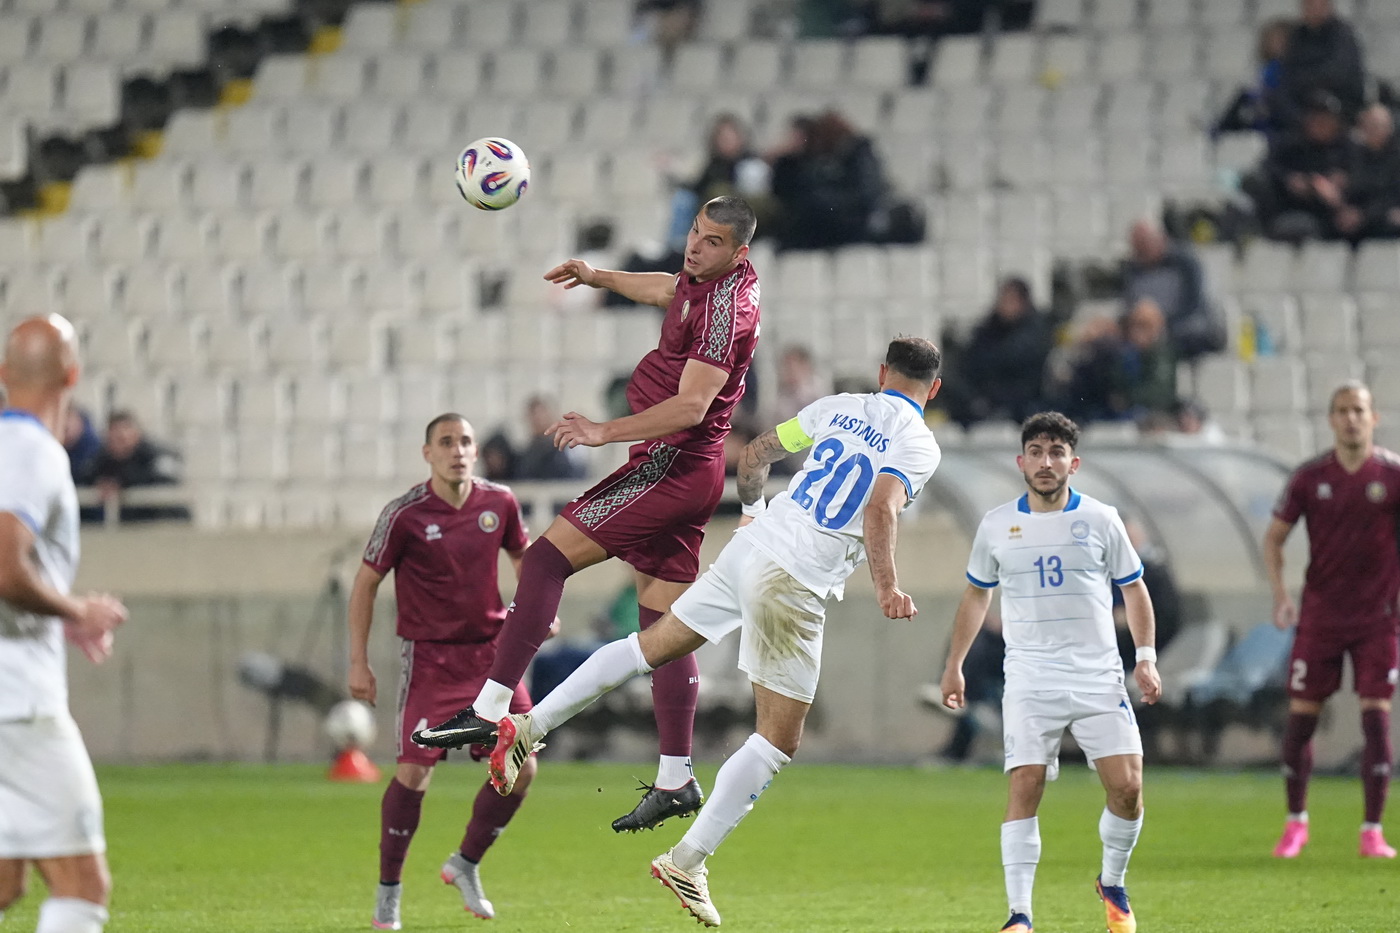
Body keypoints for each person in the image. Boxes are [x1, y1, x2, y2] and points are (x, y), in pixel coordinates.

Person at [485, 336, 944, 926]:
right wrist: (888, 587)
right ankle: (687, 860)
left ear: (882, 373)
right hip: (796, 579)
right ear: (934, 389)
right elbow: (881, 507)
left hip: (752, 547)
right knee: (777, 740)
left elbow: (753, 455)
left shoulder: (839, 406)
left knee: (651, 647)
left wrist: (751, 513)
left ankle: (530, 725)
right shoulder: (919, 443)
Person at [413, 197, 761, 834]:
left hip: (671, 464)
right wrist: (599, 277)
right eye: (694, 232)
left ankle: (490, 708)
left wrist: (603, 430)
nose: (694, 246)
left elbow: (691, 406)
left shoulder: (724, 311)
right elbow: (667, 289)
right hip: (687, 469)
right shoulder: (708, 280)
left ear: (739, 252)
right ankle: (676, 776)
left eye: (711, 242)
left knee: (546, 557)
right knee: (664, 626)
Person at [940, 411, 1161, 933]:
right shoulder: (997, 525)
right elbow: (977, 594)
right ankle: (1019, 915)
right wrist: (954, 665)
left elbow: (1134, 588)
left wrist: (1146, 657)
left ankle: (1112, 881)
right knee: (1026, 783)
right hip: (1030, 677)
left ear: (1073, 463)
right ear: (1021, 462)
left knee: (1128, 788)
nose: (1046, 462)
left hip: (1097, 676)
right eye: (1036, 452)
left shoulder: (1102, 519)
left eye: (1056, 452)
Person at [349, 413, 541, 928]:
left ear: (476, 452)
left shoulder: (499, 502)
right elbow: (365, 583)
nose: (457, 450)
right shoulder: (404, 515)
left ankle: (466, 863)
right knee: (414, 773)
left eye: (466, 442)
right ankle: (389, 891)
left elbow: (525, 559)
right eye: (447, 442)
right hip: (431, 661)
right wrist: (358, 661)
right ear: (427, 453)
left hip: (492, 659)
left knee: (521, 768)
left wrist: (537, 610)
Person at [0, 315, 128, 933]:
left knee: (5, 879)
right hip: (16, 702)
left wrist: (51, 612)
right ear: (73, 376)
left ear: (4, 374)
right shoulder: (34, 452)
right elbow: (5, 565)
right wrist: (78, 610)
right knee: (82, 883)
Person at [1263, 380, 1400, 860]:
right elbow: (1274, 538)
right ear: (1331, 419)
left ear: (1373, 417)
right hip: (1321, 617)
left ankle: (1372, 831)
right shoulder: (1310, 477)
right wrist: (1282, 595)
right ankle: (1295, 823)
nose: (1351, 418)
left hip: (1377, 620)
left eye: (1359, 410)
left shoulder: (1393, 475)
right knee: (1301, 720)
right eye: (1342, 410)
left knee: (1376, 721)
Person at [1244, 89, 1353, 242]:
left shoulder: (1348, 148)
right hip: (1291, 209)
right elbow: (1269, 168)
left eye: (1326, 119)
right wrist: (1290, 180)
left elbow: (1362, 178)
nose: (1321, 124)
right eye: (1316, 119)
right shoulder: (1290, 145)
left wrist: (1345, 183)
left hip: (1335, 218)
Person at [945, 277, 1052, 427]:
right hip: (986, 401)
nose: (1005, 305)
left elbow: (1017, 362)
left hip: (1022, 403)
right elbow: (970, 363)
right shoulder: (986, 330)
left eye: (1011, 300)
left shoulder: (1036, 332)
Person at [1121, 220, 1223, 361]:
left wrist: (1161, 328)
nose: (1141, 253)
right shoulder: (1133, 270)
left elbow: (1194, 306)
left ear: (1161, 240)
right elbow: (1130, 307)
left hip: (1185, 330)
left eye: (1144, 245)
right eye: (1137, 249)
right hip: (1145, 333)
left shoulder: (1185, 263)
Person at [1272, 0, 1365, 128]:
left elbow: (1338, 73)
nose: (1315, 10)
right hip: (1303, 109)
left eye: (1320, 5)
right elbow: (1287, 75)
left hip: (1340, 106)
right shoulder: (1296, 37)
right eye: (1310, 5)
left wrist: (1304, 80)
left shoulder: (1343, 35)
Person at [1331, 103, 1400, 242]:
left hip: (1382, 214)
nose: (1374, 130)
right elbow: (1350, 188)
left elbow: (1391, 194)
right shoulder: (1349, 155)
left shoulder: (1396, 158)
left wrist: (1364, 215)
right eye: (1369, 125)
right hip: (1355, 214)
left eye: (1379, 126)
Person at [516, 395, 588, 481]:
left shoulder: (570, 448)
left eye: (542, 415)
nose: (538, 420)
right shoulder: (528, 454)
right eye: (534, 416)